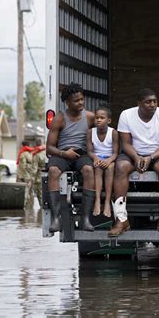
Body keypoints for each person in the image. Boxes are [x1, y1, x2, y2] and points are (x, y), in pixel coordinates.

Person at [111, 88, 159, 237]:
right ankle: (121, 220)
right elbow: (126, 143)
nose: (152, 104)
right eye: (148, 102)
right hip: (133, 153)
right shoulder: (126, 115)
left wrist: (150, 157)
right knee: (120, 167)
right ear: (139, 103)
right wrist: (136, 157)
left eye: (155, 101)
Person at [46, 83, 96, 232]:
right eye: (76, 100)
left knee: (88, 170)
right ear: (67, 102)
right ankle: (56, 219)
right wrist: (63, 153)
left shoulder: (90, 117)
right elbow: (49, 148)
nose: (80, 102)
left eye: (82, 99)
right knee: (53, 171)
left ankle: (85, 219)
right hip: (62, 154)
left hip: (81, 154)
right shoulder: (59, 119)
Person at [86, 104, 119, 218]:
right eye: (96, 118)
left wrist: (109, 160)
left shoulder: (113, 132)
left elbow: (115, 153)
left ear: (109, 120)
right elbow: (89, 151)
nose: (98, 120)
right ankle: (97, 200)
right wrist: (96, 158)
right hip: (97, 158)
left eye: (102, 118)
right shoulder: (90, 132)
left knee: (110, 169)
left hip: (110, 159)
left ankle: (107, 202)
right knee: (98, 169)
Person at [17, 140, 34, 208]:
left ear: (22, 145)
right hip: (30, 176)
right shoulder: (30, 153)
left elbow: (23, 166)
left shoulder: (23, 154)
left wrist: (20, 175)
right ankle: (30, 206)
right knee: (30, 191)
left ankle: (24, 206)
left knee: (25, 191)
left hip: (24, 176)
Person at [31, 138, 47, 206]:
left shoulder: (36, 155)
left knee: (40, 193)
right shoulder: (47, 152)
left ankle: (42, 208)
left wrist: (31, 178)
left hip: (39, 176)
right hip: (49, 174)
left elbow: (34, 169)